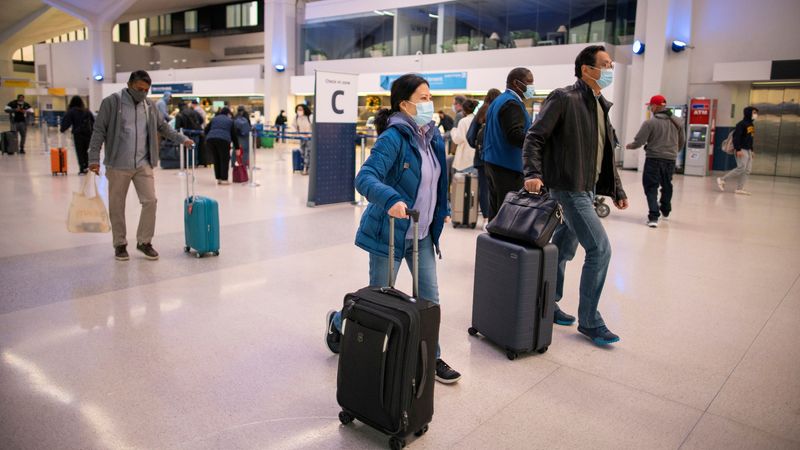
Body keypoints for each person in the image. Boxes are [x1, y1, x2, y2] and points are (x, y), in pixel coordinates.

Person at [324, 73, 461, 384]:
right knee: (378, 301)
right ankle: (338, 321)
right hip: (389, 233)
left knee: (430, 300)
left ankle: (431, 357)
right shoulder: (393, 137)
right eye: (424, 98)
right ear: (405, 104)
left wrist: (444, 211)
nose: (430, 104)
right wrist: (391, 198)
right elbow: (365, 177)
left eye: (431, 98)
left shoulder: (432, 136)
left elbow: (435, 181)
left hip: (422, 234)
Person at [522, 45, 628, 346]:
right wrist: (532, 173)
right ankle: (591, 321)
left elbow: (606, 153)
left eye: (611, 65)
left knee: (564, 248)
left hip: (587, 187)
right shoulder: (564, 98)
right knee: (600, 249)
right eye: (605, 65)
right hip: (568, 188)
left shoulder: (600, 104)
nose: (610, 70)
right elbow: (535, 137)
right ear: (586, 69)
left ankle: (548, 303)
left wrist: (617, 189)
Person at [87, 70, 193, 261]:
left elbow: (163, 127)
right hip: (118, 164)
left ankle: (144, 241)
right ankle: (120, 244)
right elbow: (98, 131)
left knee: (150, 201)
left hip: (143, 163)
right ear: (129, 85)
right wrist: (93, 158)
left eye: (146, 90)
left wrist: (182, 139)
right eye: (139, 89)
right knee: (117, 205)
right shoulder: (112, 102)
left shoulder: (149, 105)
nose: (142, 93)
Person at [482, 67, 534, 221]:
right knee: (507, 217)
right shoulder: (511, 103)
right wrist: (537, 140)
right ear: (516, 83)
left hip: (493, 162)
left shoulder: (498, 101)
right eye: (529, 82)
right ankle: (502, 245)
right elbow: (515, 135)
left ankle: (492, 244)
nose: (531, 86)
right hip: (508, 167)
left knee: (497, 213)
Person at [626, 94, 685, 227]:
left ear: (656, 106)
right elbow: (682, 142)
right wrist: (673, 152)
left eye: (650, 106)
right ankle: (665, 209)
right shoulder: (678, 121)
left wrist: (630, 146)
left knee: (651, 187)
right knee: (667, 184)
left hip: (653, 159)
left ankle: (653, 217)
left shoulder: (650, 123)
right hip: (670, 159)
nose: (650, 108)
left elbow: (639, 141)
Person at [467, 88, 502, 219]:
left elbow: (470, 136)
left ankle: (486, 218)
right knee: (497, 188)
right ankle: (498, 217)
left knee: (484, 189)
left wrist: (477, 147)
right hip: (498, 158)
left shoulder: (481, 112)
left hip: (481, 157)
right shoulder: (499, 111)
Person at [717, 106, 758, 195]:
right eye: (754, 112)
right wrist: (738, 149)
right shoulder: (741, 124)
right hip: (741, 149)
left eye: (756, 113)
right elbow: (736, 138)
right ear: (749, 113)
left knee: (747, 170)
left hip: (748, 150)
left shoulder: (751, 125)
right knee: (741, 167)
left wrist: (752, 150)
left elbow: (750, 138)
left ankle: (740, 188)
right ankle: (722, 179)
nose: (755, 115)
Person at [204, 107, 239, 184]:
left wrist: (209, 136)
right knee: (224, 159)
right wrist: (237, 148)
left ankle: (218, 178)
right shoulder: (230, 121)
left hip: (211, 140)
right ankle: (224, 179)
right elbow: (234, 135)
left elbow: (206, 129)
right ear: (228, 114)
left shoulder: (214, 119)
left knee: (216, 159)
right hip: (223, 140)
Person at [60, 96, 95, 174]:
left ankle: (82, 168)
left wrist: (62, 129)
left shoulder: (71, 111)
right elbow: (94, 122)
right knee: (87, 151)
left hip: (78, 134)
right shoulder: (87, 111)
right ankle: (87, 166)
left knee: (80, 152)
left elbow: (65, 122)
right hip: (88, 134)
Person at [450, 99, 479, 172]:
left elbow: (457, 139)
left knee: (465, 182)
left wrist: (453, 131)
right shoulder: (477, 120)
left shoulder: (463, 121)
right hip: (475, 157)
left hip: (465, 158)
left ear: (464, 110)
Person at [293, 103, 312, 175]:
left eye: (300, 109)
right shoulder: (296, 117)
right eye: (298, 109)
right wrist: (296, 133)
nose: (299, 111)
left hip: (310, 138)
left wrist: (310, 133)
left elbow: (313, 126)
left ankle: (306, 168)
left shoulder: (310, 117)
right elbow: (293, 125)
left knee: (308, 152)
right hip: (302, 137)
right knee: (303, 152)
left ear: (304, 109)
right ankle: (305, 167)